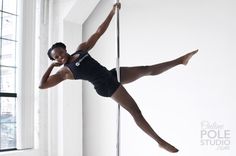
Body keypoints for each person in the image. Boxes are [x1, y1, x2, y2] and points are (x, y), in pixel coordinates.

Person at [39, 3, 198, 153]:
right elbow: (43, 85)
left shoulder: (80, 50)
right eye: (56, 57)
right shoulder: (64, 72)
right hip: (105, 85)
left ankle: (180, 61)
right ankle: (159, 141)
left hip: (111, 74)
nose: (60, 57)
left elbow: (98, 32)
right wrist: (51, 67)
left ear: (65, 49)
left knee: (146, 69)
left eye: (60, 52)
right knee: (135, 111)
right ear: (55, 60)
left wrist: (112, 12)